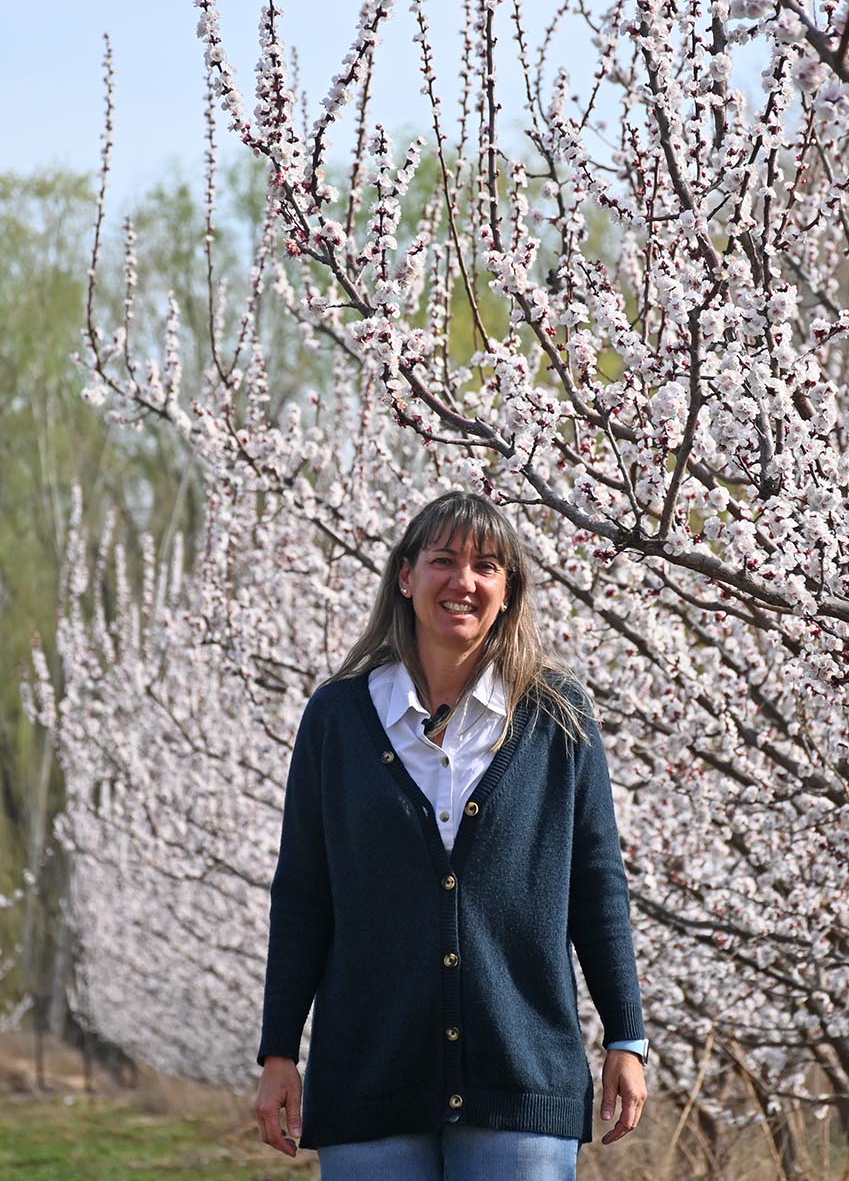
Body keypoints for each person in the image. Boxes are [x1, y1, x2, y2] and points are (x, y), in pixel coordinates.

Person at [253, 491, 648, 1180]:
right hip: (369, 1073)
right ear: (405, 577)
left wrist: (626, 1036)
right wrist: (278, 1052)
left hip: (521, 1077)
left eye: (486, 566)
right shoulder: (338, 719)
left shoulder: (557, 719)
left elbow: (598, 883)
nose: (463, 581)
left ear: (507, 591)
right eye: (443, 561)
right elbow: (303, 894)